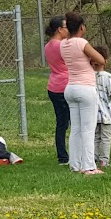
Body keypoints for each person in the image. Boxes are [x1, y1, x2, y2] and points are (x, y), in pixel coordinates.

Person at [60, 12, 107, 175]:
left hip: (70, 88)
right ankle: (89, 166)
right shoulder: (82, 42)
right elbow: (101, 60)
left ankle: (75, 164)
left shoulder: (63, 44)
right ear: (81, 27)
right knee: (88, 129)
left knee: (76, 129)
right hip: (85, 88)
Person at [43, 16, 70, 165]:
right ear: (59, 29)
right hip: (64, 87)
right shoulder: (62, 45)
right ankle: (69, 156)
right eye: (66, 27)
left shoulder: (48, 46)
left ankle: (62, 157)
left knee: (61, 124)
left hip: (53, 86)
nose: (68, 30)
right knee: (73, 123)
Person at [92, 47, 111, 169]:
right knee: (106, 138)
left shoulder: (89, 76)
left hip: (93, 113)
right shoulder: (108, 76)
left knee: (95, 136)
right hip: (107, 113)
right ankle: (104, 161)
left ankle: (94, 158)